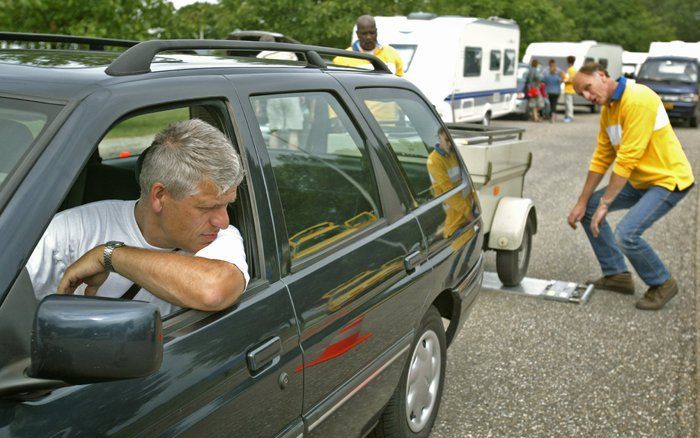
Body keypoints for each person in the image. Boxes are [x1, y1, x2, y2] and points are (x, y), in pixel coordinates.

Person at [27, 119, 250, 316]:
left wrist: (108, 255)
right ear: (160, 196)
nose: (223, 221)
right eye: (207, 208)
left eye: (227, 206)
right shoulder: (72, 230)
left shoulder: (221, 238)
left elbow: (213, 291)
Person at [567, 63, 694, 310]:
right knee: (589, 209)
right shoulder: (609, 110)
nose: (588, 97)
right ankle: (617, 275)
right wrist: (582, 202)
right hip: (638, 181)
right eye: (582, 94)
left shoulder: (637, 99)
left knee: (627, 234)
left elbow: (627, 158)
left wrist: (606, 204)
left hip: (666, 180)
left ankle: (662, 282)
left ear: (602, 75)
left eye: (588, 88)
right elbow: (602, 156)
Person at [427, 127, 472, 238]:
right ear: (439, 138)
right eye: (447, 140)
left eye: (451, 141)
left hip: (466, 212)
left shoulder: (453, 154)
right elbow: (449, 193)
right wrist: (470, 215)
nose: (450, 144)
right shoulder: (434, 161)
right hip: (454, 218)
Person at [333, 15, 404, 76]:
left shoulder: (392, 54)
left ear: (376, 32)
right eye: (364, 33)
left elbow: (401, 83)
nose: (368, 37)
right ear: (357, 34)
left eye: (372, 33)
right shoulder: (342, 58)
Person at [563, 55, 577, 122]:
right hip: (570, 89)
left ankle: (570, 116)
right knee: (568, 103)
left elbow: (571, 79)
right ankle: (567, 116)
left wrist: (565, 80)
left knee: (569, 104)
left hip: (569, 88)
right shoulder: (572, 69)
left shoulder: (571, 70)